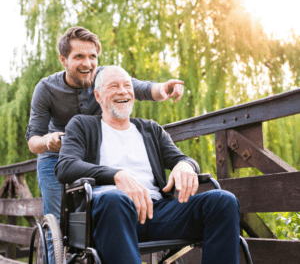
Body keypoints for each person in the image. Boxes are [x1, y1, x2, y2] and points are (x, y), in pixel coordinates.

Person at [55, 66, 240, 264]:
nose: (123, 91)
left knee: (223, 201)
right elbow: (66, 166)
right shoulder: (82, 125)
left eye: (127, 86)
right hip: (110, 213)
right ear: (98, 96)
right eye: (114, 86)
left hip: (157, 211)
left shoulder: (150, 129)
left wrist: (185, 165)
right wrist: (117, 175)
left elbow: (182, 158)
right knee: (114, 198)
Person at [25, 26, 185, 221]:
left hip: (92, 154)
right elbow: (33, 141)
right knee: (58, 221)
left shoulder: (104, 78)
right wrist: (48, 141)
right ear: (63, 59)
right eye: (79, 57)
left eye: (92, 56)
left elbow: (140, 88)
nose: (87, 63)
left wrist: (164, 89)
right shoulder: (46, 89)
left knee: (99, 211)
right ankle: (57, 249)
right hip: (55, 158)